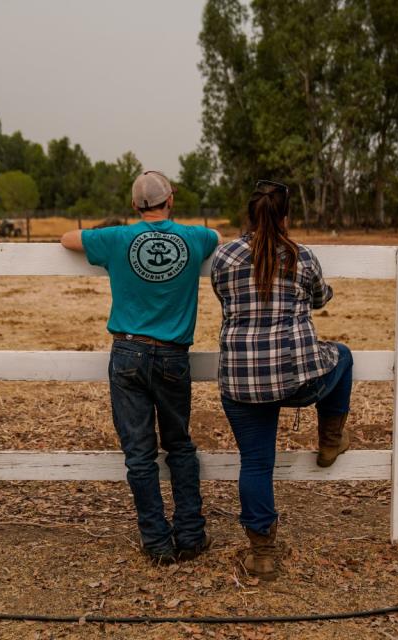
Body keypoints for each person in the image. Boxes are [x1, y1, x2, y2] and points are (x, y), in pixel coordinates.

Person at [61, 170, 220, 564]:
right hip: (172, 355)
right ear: (172, 199)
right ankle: (190, 534)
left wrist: (112, 232)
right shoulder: (196, 237)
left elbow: (67, 239)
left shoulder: (116, 240)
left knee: (139, 453)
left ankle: (157, 542)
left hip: (128, 353)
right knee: (179, 445)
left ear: (134, 206)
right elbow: (216, 237)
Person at [210, 179, 353, 582]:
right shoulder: (301, 257)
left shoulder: (224, 257)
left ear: (249, 216)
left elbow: (223, 296)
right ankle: (329, 439)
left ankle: (263, 555)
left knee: (256, 463)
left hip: (241, 380)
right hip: (295, 378)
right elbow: (321, 298)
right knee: (342, 356)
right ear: (286, 217)